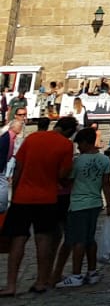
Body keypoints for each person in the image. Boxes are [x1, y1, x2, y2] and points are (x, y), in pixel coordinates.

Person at [1, 115, 73, 293]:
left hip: (22, 197)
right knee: (44, 240)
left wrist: (16, 190)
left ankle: (11, 285)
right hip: (47, 197)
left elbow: (18, 166)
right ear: (69, 132)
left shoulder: (32, 138)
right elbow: (63, 174)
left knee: (18, 240)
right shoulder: (66, 145)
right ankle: (41, 281)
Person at [55, 129, 110, 287]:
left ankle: (76, 274)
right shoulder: (105, 160)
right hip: (95, 203)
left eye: (79, 144)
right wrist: (109, 204)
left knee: (78, 241)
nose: (78, 147)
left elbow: (68, 180)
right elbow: (106, 184)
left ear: (86, 143)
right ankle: (92, 271)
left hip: (78, 203)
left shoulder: (78, 162)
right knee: (90, 239)